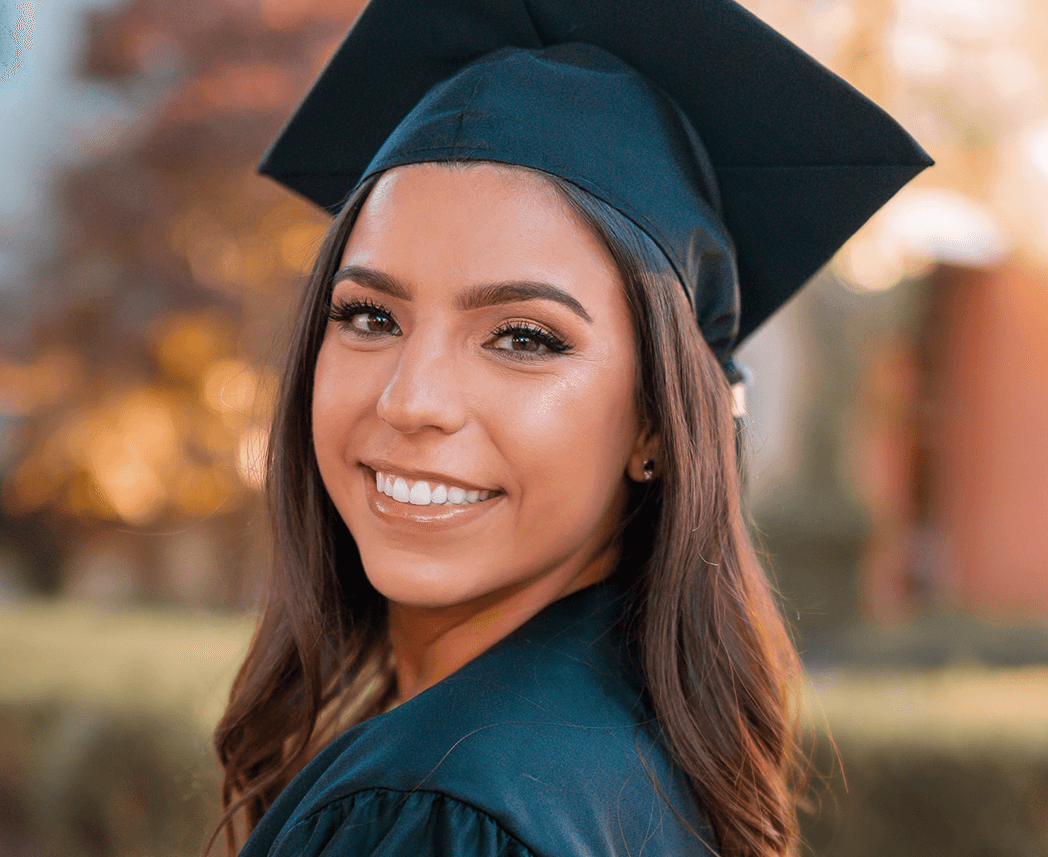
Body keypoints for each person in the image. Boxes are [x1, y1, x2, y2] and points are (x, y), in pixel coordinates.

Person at [208, 2, 931, 856]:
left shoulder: (437, 811)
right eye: (369, 316)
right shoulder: (641, 757)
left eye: (524, 336)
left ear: (657, 426)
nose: (411, 400)